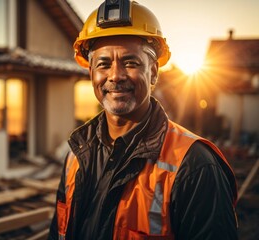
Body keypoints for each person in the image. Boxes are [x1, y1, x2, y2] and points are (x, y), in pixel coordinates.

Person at [49, 0, 238, 239]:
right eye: (103, 64)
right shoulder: (75, 156)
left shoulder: (195, 166)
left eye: (130, 63)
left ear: (153, 72)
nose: (115, 76)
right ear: (91, 73)